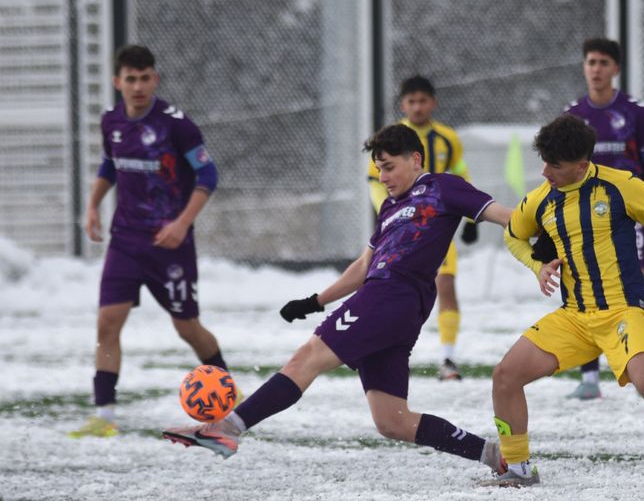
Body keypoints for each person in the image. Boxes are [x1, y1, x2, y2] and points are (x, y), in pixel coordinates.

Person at [163, 124, 512, 478]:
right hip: (394, 306)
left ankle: (226, 429)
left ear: (415, 159)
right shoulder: (391, 207)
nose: (383, 176)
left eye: (389, 166)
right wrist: (315, 301)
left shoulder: (442, 186)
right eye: (378, 169)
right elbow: (364, 265)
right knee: (393, 421)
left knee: (307, 357)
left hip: (391, 296)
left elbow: (506, 216)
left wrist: (544, 239)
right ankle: (493, 455)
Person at [484, 114, 644, 489]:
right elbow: (514, 235)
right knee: (505, 376)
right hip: (574, 317)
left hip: (624, 312)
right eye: (542, 162)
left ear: (581, 164)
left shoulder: (621, 186)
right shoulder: (541, 200)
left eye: (553, 165)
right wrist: (537, 265)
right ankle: (520, 470)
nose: (544, 172)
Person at [69, 45, 234, 438]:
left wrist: (181, 224)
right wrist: (92, 205)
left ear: (155, 79)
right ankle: (104, 415)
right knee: (107, 323)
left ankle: (227, 387)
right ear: (117, 82)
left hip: (170, 245)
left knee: (187, 328)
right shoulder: (111, 121)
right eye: (130, 79)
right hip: (125, 240)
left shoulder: (177, 125)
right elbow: (110, 163)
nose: (138, 86)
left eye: (145, 78)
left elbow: (207, 177)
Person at [558, 37, 644, 400]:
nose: (596, 69)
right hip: (583, 218)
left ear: (616, 69)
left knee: (632, 289)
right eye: (591, 62)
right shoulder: (572, 113)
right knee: (584, 288)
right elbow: (559, 169)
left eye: (604, 62)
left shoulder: (637, 112)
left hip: (628, 215)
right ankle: (590, 378)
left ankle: (640, 368)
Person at [366, 75, 477, 380]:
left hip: (437, 229)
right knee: (389, 288)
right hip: (402, 229)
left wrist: (468, 219)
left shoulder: (446, 139)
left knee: (446, 285)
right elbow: (374, 181)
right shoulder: (390, 137)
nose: (417, 107)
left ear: (433, 103)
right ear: (402, 104)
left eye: (423, 101)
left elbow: (460, 175)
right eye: (411, 101)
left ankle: (448, 358)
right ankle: (383, 352)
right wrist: (387, 212)